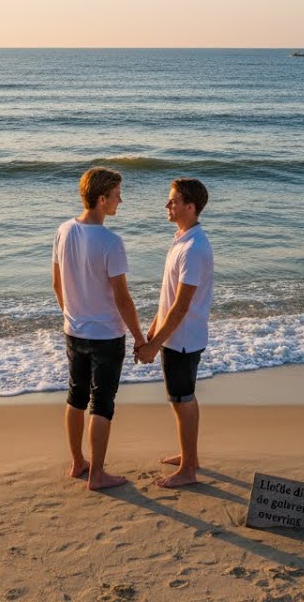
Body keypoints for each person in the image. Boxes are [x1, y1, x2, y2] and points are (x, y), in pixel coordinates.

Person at [53, 166, 145, 491]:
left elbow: (56, 283)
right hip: (105, 336)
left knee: (75, 396)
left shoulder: (63, 230)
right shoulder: (110, 242)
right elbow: (122, 298)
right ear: (102, 199)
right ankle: (98, 474)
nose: (122, 199)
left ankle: (78, 462)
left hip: (73, 331)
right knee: (102, 402)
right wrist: (140, 338)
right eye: (118, 194)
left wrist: (73, 314)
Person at [135, 178, 213, 488]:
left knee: (182, 401)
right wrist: (152, 332)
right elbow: (167, 297)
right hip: (177, 336)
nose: (167, 206)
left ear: (190, 207)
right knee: (182, 400)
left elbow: (181, 307)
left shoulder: (193, 248)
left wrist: (153, 345)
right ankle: (188, 457)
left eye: (173, 201)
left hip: (183, 339)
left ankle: (188, 470)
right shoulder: (181, 238)